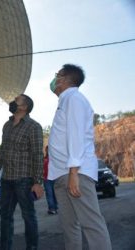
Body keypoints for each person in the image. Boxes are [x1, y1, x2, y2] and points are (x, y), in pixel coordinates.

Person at [48, 64, 112, 250]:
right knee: (70, 228)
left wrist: (74, 172)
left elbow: (75, 135)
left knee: (91, 225)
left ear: (64, 78)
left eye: (57, 75)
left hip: (75, 173)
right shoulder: (65, 101)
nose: (54, 80)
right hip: (62, 173)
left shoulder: (74, 99)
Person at [0, 94, 44, 250]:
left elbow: (37, 155)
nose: (12, 102)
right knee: (5, 217)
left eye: (17, 100)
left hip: (24, 181)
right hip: (6, 180)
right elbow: (3, 151)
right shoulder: (6, 126)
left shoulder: (34, 127)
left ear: (24, 107)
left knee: (28, 216)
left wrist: (37, 182)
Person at [43, 145, 58, 215]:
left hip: (55, 178)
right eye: (47, 150)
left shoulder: (55, 159)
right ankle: (52, 208)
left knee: (55, 194)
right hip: (47, 179)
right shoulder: (44, 159)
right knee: (49, 194)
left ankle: (55, 207)